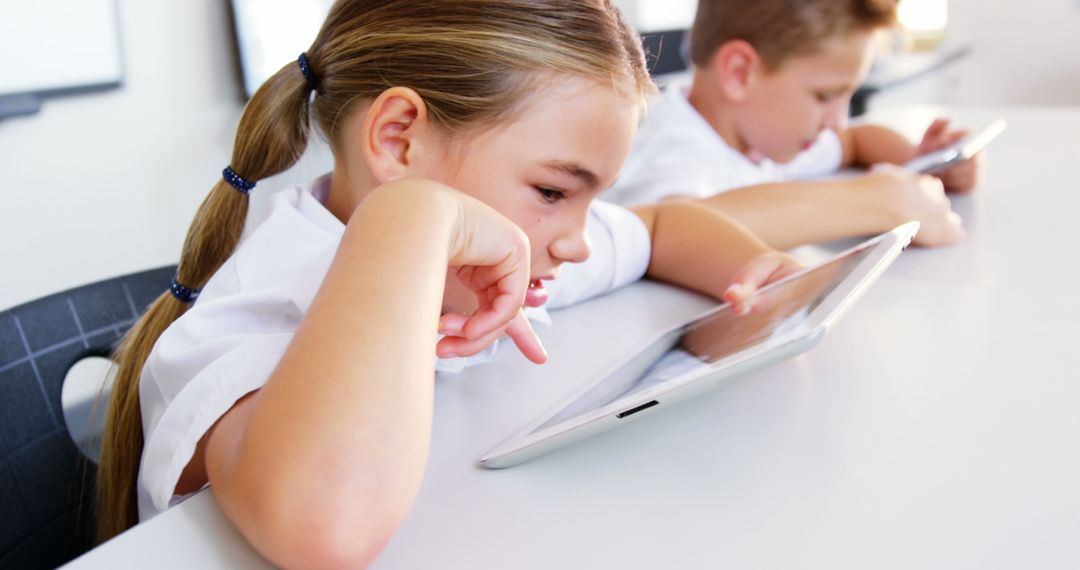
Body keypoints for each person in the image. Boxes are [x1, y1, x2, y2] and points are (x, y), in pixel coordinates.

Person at [95, 1, 802, 567]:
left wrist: (752, 266)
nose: (579, 240)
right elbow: (328, 529)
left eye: (590, 198)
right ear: (399, 141)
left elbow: (662, 229)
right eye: (554, 190)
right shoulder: (255, 315)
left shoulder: (513, 255)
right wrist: (410, 217)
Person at [606, 0, 984, 250]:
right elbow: (673, 233)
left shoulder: (764, 130)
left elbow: (856, 140)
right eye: (824, 96)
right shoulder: (671, 148)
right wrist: (878, 201)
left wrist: (923, 163)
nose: (837, 121)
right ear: (740, 73)